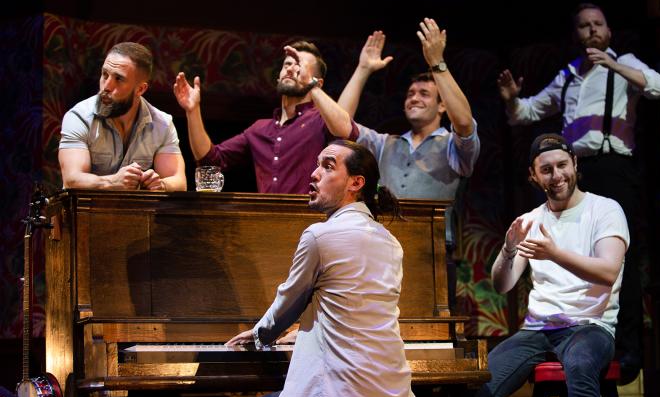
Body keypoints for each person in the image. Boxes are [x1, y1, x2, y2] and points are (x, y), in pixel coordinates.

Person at [497, 3, 660, 381]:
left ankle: (626, 351)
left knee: (621, 255)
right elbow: (525, 112)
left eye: (597, 24)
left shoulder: (626, 63)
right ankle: (569, 321)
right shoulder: (569, 76)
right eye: (584, 26)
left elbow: (658, 87)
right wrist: (511, 97)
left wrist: (613, 66)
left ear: (608, 31)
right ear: (576, 35)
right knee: (571, 243)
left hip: (613, 164)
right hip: (574, 169)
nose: (591, 31)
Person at [222, 140, 414, 397]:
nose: (314, 174)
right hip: (393, 396)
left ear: (355, 183)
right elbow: (355, 307)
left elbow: (289, 302)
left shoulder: (319, 235)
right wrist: (310, 329)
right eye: (316, 165)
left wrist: (259, 334)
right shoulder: (391, 241)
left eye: (327, 166)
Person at [474, 134, 629, 397]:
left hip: (591, 326)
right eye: (546, 170)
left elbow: (608, 272)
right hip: (539, 329)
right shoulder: (531, 221)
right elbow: (501, 285)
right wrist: (508, 249)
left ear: (575, 163)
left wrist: (554, 253)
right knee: (479, 388)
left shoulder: (605, 210)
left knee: (581, 367)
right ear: (534, 176)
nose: (557, 175)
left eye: (562, 165)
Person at [338, 19, 480, 309]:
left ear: (442, 106)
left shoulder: (453, 146)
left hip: (433, 253)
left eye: (424, 94)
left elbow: (464, 122)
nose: (414, 98)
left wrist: (438, 63)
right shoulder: (384, 143)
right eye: (411, 94)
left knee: (434, 337)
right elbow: (341, 124)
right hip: (382, 249)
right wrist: (363, 69)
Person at [173, 42, 359, 194]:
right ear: (278, 77)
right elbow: (211, 160)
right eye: (287, 64)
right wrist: (192, 110)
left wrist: (310, 85)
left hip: (310, 221)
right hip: (266, 220)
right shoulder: (260, 129)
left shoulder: (320, 120)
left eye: (300, 65)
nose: (291, 69)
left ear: (316, 82)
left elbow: (347, 131)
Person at [59, 42, 186, 191]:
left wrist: (161, 184)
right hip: (85, 212)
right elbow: (72, 179)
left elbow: (179, 182)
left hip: (135, 213)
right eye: (105, 74)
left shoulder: (162, 124)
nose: (106, 86)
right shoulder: (79, 117)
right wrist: (112, 182)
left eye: (118, 79)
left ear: (140, 89)